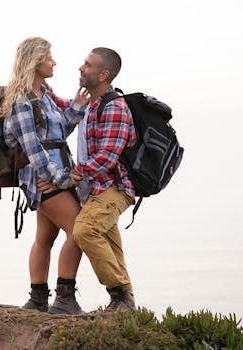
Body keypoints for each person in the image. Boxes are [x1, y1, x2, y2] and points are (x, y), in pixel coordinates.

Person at [0, 37, 89, 315]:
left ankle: (37, 300)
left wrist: (75, 106)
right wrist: (59, 179)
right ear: (35, 61)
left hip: (56, 171)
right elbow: (32, 147)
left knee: (45, 239)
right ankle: (64, 300)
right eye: (49, 57)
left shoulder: (44, 93)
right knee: (80, 232)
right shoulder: (20, 100)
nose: (54, 62)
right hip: (43, 178)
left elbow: (60, 132)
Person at [71, 47, 138, 312]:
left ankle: (119, 294)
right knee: (111, 246)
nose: (81, 68)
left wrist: (73, 175)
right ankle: (125, 306)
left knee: (85, 230)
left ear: (103, 74)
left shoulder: (115, 107)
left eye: (87, 65)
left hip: (115, 188)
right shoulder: (92, 105)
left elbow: (107, 159)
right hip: (97, 188)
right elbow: (65, 111)